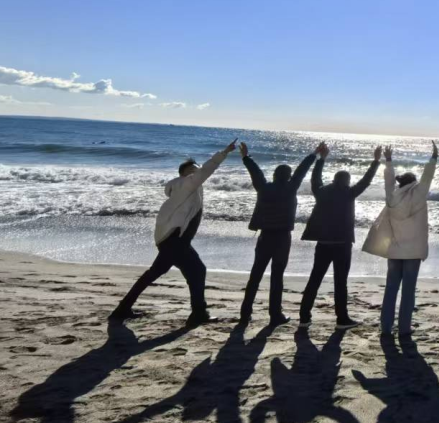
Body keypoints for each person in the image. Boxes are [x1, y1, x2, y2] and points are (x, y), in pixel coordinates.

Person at [109, 138, 237, 326]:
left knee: (164, 273)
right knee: (197, 270)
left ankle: (122, 309)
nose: (196, 171)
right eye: (192, 169)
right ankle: (198, 313)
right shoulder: (185, 184)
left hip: (172, 240)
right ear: (184, 173)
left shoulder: (187, 190)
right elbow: (206, 170)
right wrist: (224, 153)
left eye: (196, 168)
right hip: (175, 241)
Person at [298, 142, 382, 328]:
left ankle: (304, 317)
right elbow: (366, 181)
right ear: (347, 181)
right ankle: (341, 319)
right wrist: (376, 161)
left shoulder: (321, 192)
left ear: (334, 180)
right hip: (342, 244)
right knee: (340, 282)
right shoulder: (349, 192)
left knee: (315, 279)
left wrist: (321, 159)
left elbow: (315, 178)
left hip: (323, 243)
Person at [363, 142, 438, 339]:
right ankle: (404, 328)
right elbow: (428, 177)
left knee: (391, 289)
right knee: (408, 291)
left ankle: (386, 328)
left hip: (395, 251)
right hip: (413, 252)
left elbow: (388, 181)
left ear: (401, 184)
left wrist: (388, 160)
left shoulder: (392, 196)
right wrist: (434, 158)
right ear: (413, 183)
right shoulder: (418, 194)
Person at [239, 141, 318, 325]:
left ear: (274, 175)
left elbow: (256, 172)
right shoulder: (291, 187)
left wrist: (246, 157)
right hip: (282, 238)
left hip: (265, 236)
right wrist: (314, 154)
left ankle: (245, 313)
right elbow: (302, 170)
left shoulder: (263, 187)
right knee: (277, 277)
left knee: (255, 275)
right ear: (289, 177)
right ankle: (275, 314)